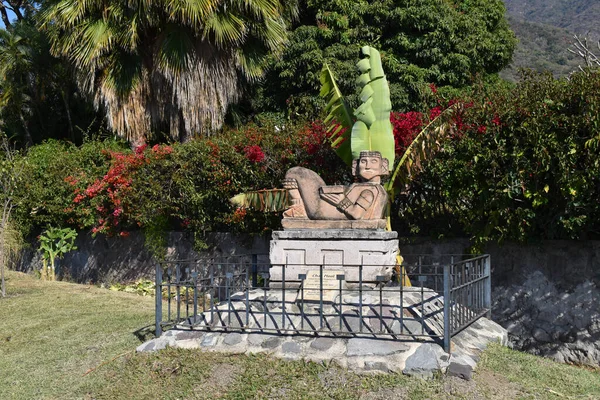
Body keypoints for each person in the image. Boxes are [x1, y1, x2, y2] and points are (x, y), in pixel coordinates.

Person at [282, 151, 389, 220]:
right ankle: (298, 211)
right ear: (356, 166)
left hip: (320, 209)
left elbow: (356, 214)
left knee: (294, 172)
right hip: (324, 205)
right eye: (363, 161)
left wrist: (341, 200)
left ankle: (297, 211)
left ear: (383, 166)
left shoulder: (370, 191)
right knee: (295, 173)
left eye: (373, 161)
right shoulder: (368, 188)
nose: (367, 166)